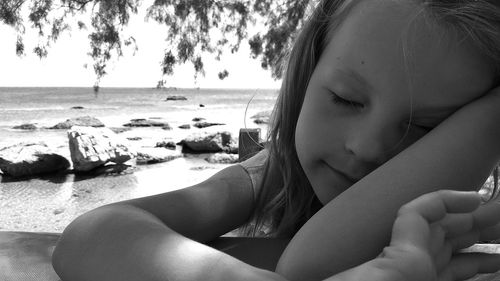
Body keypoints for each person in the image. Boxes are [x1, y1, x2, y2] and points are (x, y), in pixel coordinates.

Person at [51, 0, 500, 280]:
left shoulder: (457, 216)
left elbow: (311, 263)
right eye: (345, 99)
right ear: (306, 74)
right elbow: (89, 235)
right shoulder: (274, 172)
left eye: (424, 129)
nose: (365, 148)